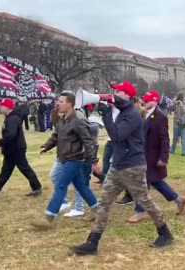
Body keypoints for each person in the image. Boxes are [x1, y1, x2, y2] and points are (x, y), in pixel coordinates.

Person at [70, 82, 173, 256]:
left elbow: (117, 136)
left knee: (145, 201)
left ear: (127, 95)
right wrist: (108, 113)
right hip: (118, 166)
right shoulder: (124, 112)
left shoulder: (131, 115)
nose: (114, 93)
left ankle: (165, 233)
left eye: (118, 91)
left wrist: (107, 115)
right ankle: (92, 242)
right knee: (104, 202)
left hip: (132, 167)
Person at [31, 91, 100, 228]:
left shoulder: (78, 121)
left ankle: (48, 217)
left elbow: (88, 142)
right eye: (58, 101)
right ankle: (97, 210)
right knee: (81, 186)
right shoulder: (63, 119)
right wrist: (46, 147)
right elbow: (56, 136)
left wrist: (94, 161)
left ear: (69, 103)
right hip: (64, 158)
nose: (58, 103)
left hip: (73, 159)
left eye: (61, 101)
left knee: (61, 185)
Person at [127, 90, 185, 223]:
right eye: (144, 100)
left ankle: (139, 211)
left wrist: (163, 158)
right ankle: (178, 199)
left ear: (155, 101)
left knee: (142, 183)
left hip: (152, 156)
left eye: (147, 100)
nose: (144, 102)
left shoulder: (160, 116)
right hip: (142, 154)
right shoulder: (143, 114)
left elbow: (164, 139)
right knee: (154, 182)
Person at [0, 98, 42, 198]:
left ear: (7, 107)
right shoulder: (10, 117)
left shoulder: (13, 119)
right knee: (6, 170)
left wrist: (0, 143)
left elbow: (11, 135)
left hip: (16, 149)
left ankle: (37, 188)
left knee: (24, 168)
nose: (0, 108)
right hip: (12, 149)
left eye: (2, 106)